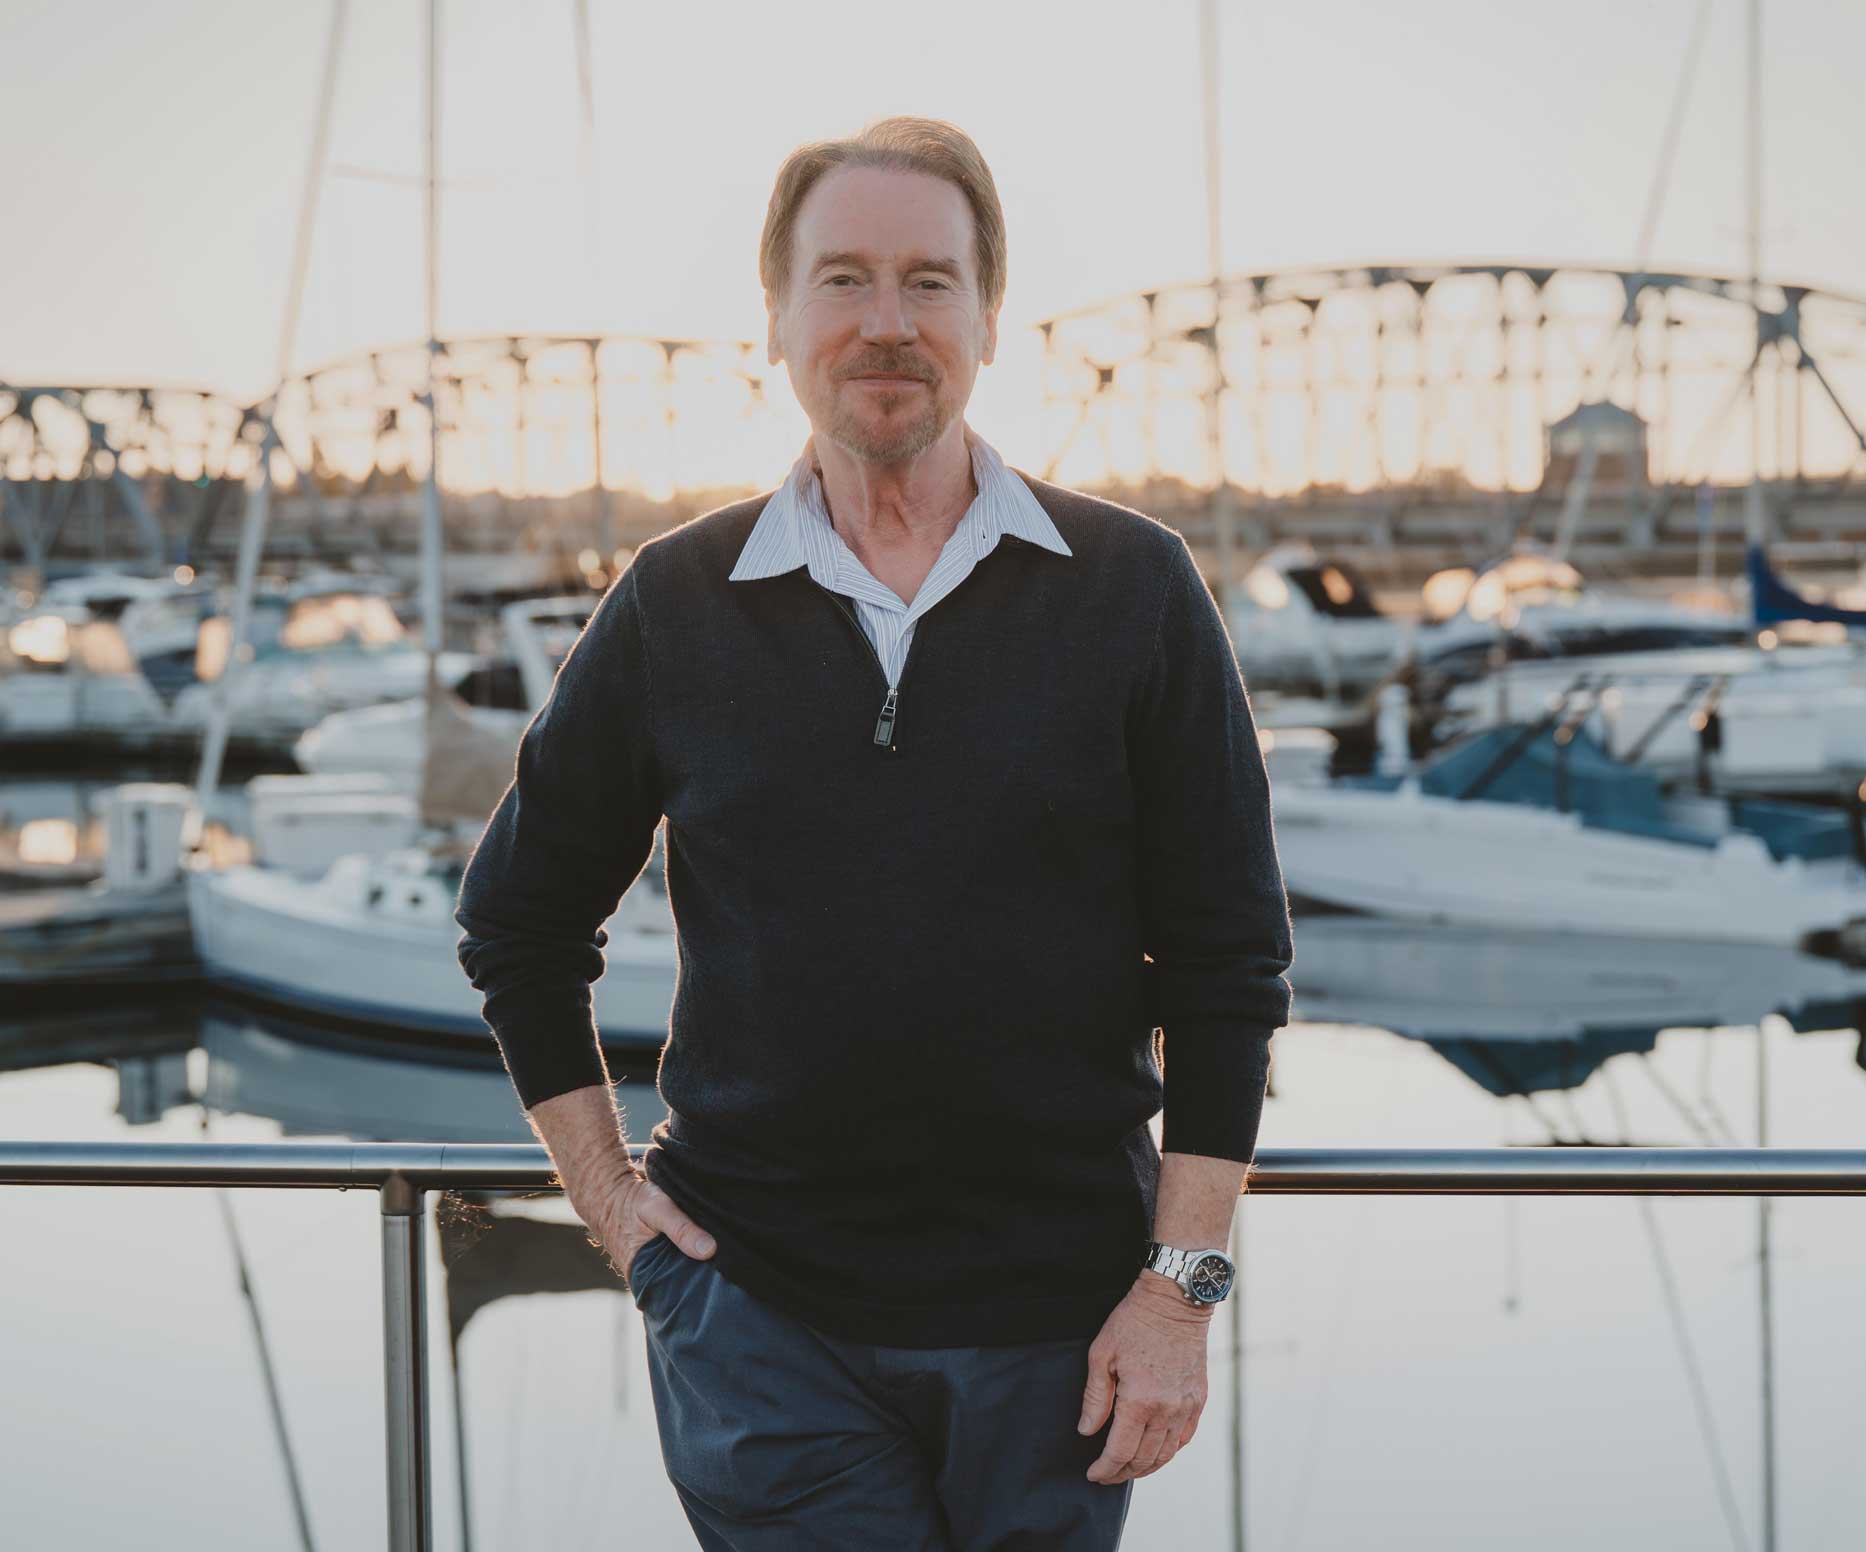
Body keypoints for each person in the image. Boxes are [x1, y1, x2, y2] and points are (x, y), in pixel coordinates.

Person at [454, 115, 1291, 1550]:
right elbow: (519, 929)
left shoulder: (1134, 590)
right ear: (776, 320)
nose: (887, 324)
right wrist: (619, 1216)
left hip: (1064, 1337)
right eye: (842, 280)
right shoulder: (675, 599)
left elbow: (1228, 972)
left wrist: (1178, 1293)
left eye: (929, 281)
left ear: (989, 317)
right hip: (763, 1329)